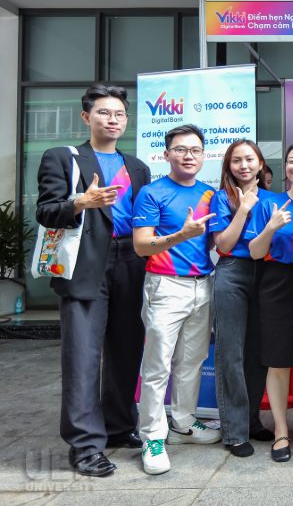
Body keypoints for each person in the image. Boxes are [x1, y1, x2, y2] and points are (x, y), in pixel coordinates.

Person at [35, 84, 150, 477]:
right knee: (82, 356)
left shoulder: (137, 167)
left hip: (131, 261)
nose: (112, 120)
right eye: (104, 112)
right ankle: (85, 446)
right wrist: (80, 202)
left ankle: (119, 425)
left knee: (127, 350)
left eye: (119, 114)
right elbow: (46, 211)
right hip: (86, 263)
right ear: (87, 117)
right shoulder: (62, 158)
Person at [132, 124, 221, 475]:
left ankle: (183, 424)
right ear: (167, 154)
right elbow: (142, 245)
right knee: (158, 366)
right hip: (165, 286)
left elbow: (214, 241)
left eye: (195, 150)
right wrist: (181, 234)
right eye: (181, 150)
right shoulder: (152, 192)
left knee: (193, 360)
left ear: (203, 155)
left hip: (203, 285)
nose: (188, 156)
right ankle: (153, 436)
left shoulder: (210, 194)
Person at [247, 143, 293, 462]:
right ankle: (280, 429)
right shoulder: (269, 202)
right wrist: (271, 226)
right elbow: (254, 251)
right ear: (285, 168)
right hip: (276, 283)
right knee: (277, 361)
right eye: (292, 161)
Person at [207, 140, 274, 458]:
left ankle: (251, 420)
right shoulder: (221, 198)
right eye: (236, 160)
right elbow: (223, 244)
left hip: (267, 275)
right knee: (230, 353)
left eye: (249, 159)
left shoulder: (273, 199)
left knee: (258, 353)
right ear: (228, 166)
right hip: (232, 273)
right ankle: (234, 431)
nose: (244, 166)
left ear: (260, 163)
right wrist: (243, 208)